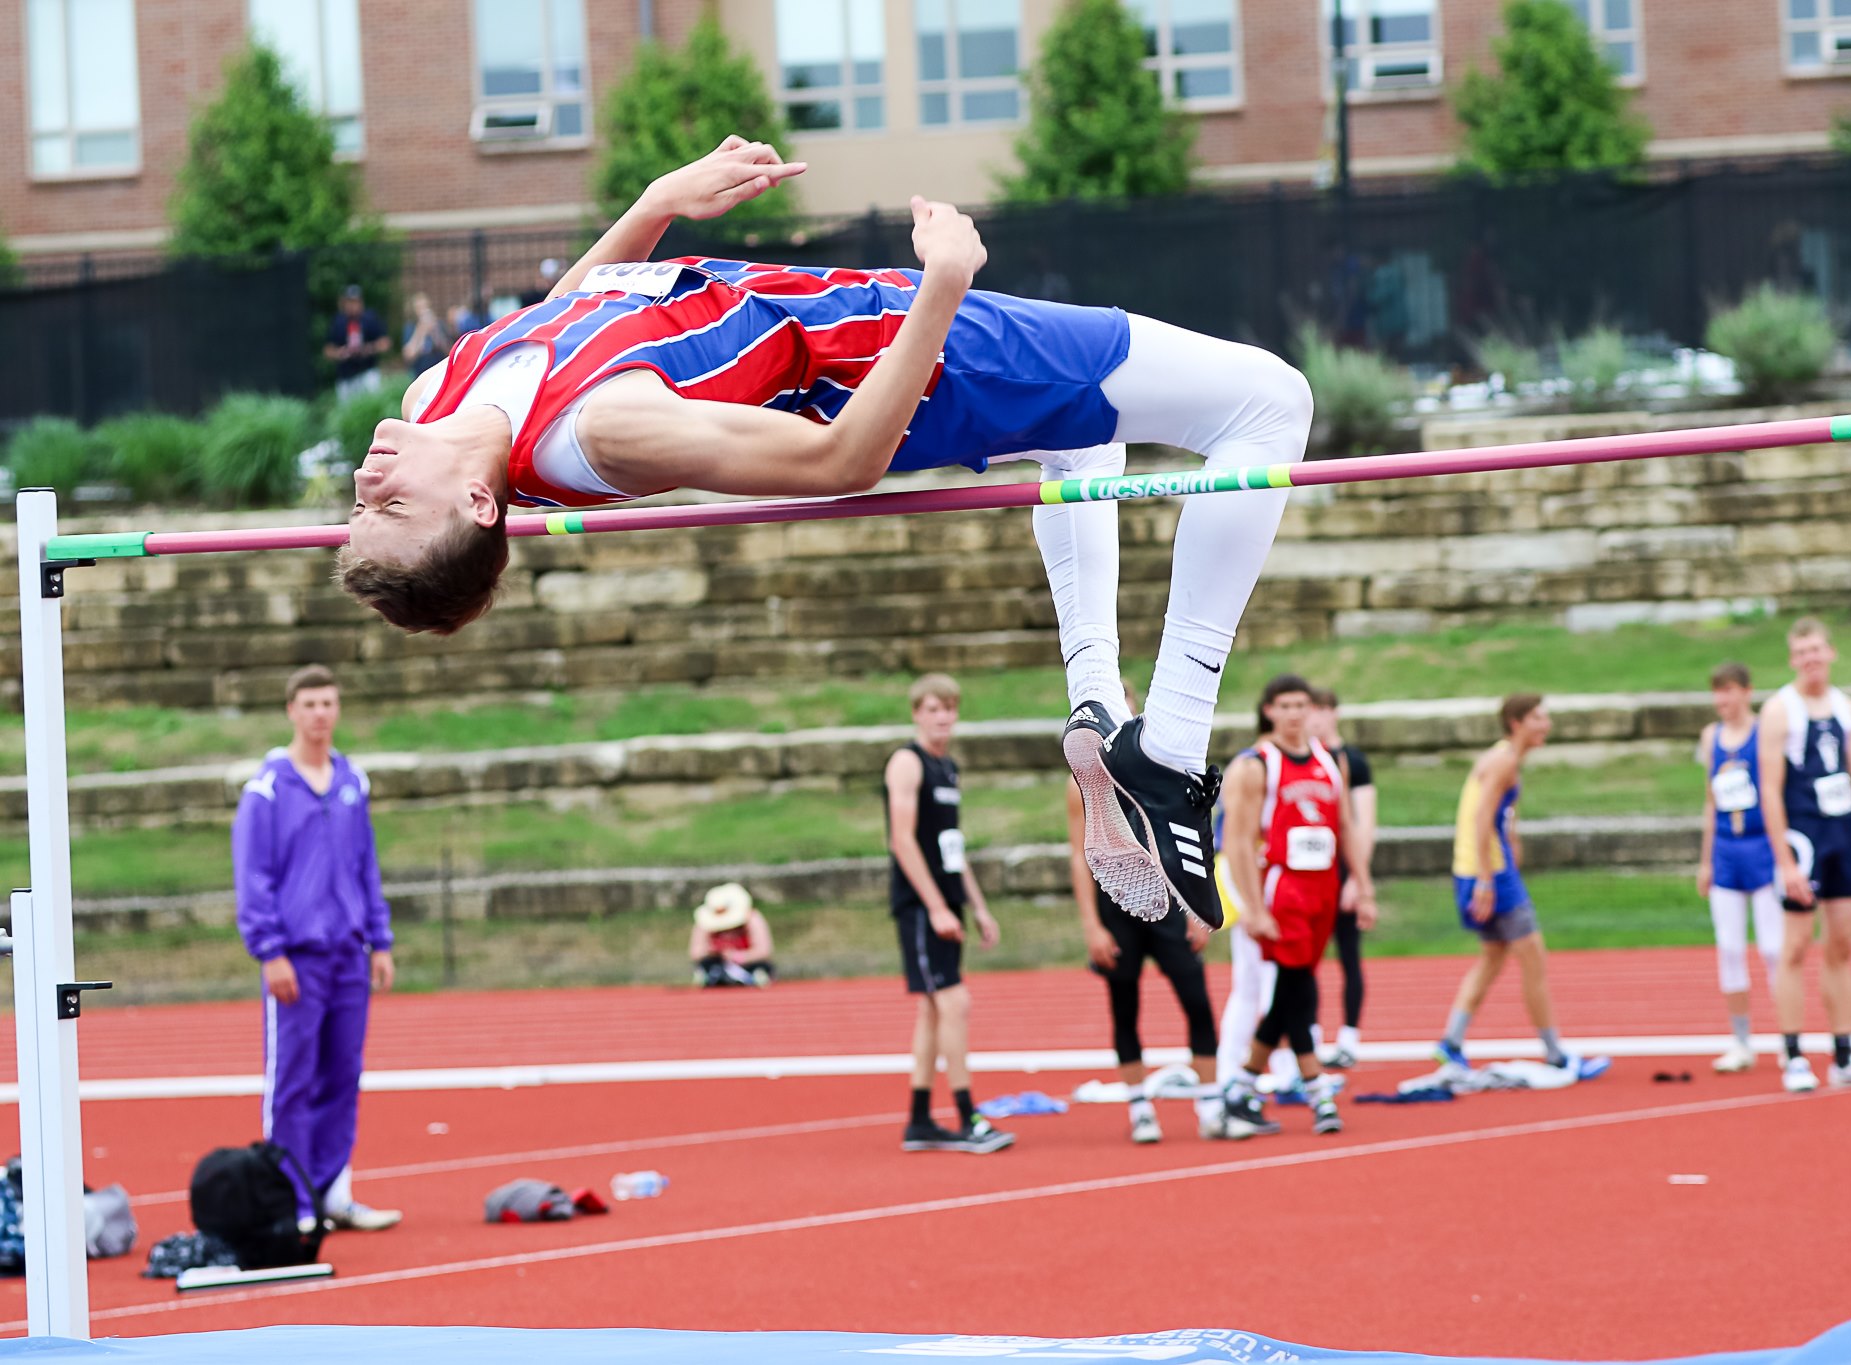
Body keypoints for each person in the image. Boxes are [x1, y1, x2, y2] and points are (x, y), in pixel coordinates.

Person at [342, 136, 1314, 933]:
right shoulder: (606, 433)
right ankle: (1171, 745)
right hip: (907, 356)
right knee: (1269, 403)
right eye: (391, 507)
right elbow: (840, 461)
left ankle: (1096, 700)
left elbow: (560, 319)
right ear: (480, 506)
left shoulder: (437, 396)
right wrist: (944, 284)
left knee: (1083, 446)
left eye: (360, 507)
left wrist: (656, 202)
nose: (365, 481)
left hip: (880, 323)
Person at [231, 665, 400, 1232]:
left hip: (348, 952)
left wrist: (380, 939)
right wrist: (269, 951)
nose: (320, 713)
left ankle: (332, 1191)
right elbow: (253, 876)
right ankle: (293, 1202)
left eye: (328, 703)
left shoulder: (352, 781)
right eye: (309, 704)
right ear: (291, 711)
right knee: (293, 1081)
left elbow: (365, 865)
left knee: (343, 1075)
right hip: (296, 957)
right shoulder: (267, 790)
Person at [1069, 684, 1262, 1143]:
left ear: (1135, 710)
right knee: (1124, 1006)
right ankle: (1140, 1108)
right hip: (1118, 904)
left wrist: (1198, 909)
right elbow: (1079, 854)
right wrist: (1091, 925)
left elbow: (1190, 829)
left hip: (1171, 901)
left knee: (1196, 999)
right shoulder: (1083, 774)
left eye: (1125, 703)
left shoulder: (1160, 759)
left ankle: (1211, 1107)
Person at [1218, 674, 1369, 1136]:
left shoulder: (1330, 761)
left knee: (1294, 987)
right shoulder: (1256, 765)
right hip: (1283, 889)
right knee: (1297, 987)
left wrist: (1363, 884)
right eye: (1284, 706)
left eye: (1301, 705)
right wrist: (1252, 908)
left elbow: (1346, 826)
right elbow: (1237, 841)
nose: (1294, 714)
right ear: (1268, 711)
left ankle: (1243, 1087)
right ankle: (1317, 1091)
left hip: (1323, 888)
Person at [1757, 618, 1851, 1092]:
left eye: (1816, 650)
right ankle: (1794, 1055)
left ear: (1831, 652)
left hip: (1842, 837)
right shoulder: (1779, 711)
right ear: (1792, 659)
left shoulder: (1848, 709)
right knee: (1796, 946)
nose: (1811, 659)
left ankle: (1844, 1055)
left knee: (1841, 945)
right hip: (1803, 838)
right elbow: (1769, 790)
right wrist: (1785, 861)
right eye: (1802, 652)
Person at [1434, 695, 1603, 1079]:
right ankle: (1556, 1055)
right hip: (1490, 872)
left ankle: (1451, 1041)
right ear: (1516, 722)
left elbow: (1498, 814)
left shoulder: (1503, 757)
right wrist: (1486, 878)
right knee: (1534, 960)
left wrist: (1511, 842)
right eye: (1538, 718)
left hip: (1477, 868)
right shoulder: (1504, 761)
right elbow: (1480, 817)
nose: (1546, 724)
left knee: (1493, 956)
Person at [885, 674, 1012, 1154]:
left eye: (950, 708)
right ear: (917, 713)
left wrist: (977, 906)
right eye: (933, 709)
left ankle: (919, 1120)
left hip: (947, 903)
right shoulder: (907, 762)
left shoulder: (948, 768)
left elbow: (951, 848)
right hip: (921, 907)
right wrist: (936, 907)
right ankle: (968, 1117)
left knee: (933, 1010)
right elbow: (902, 840)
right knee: (954, 1003)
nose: (943, 717)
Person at [1694, 661, 1785, 1074]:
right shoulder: (1710, 737)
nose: (1722, 700)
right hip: (1726, 852)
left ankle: (1788, 1038)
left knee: (1773, 948)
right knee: (1729, 947)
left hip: (1762, 847)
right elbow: (1710, 801)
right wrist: (1705, 861)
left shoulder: (1763, 732)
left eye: (1729, 690)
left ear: (1746, 692)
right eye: (1717, 691)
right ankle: (1741, 1042)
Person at [1308, 685, 1377, 1068]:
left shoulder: (1353, 761)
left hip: (1342, 868)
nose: (1314, 718)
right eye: (1310, 709)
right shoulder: (1300, 758)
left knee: (1349, 954)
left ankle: (1349, 1037)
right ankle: (1310, 1037)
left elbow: (1363, 822)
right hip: (1309, 871)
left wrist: (1357, 879)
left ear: (1334, 712)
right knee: (1305, 958)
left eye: (1321, 709)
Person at [689, 881, 775, 987]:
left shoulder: (752, 919)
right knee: (708, 965)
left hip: (747, 964)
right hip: (718, 963)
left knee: (761, 966)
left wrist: (739, 956)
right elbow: (696, 952)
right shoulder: (703, 923)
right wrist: (713, 952)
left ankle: (752, 977)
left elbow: (764, 950)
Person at [324, 285, 390, 399]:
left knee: (373, 402)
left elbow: (385, 343)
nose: (353, 306)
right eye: (350, 302)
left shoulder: (370, 318)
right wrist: (340, 353)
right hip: (346, 376)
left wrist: (370, 348)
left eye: (355, 302)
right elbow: (327, 349)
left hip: (367, 372)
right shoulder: (338, 321)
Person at [401, 292, 452, 378]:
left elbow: (449, 352)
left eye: (425, 306)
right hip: (420, 372)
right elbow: (408, 355)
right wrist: (420, 331)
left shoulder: (438, 324)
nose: (423, 310)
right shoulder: (411, 327)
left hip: (439, 371)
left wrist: (436, 332)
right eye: (419, 307)